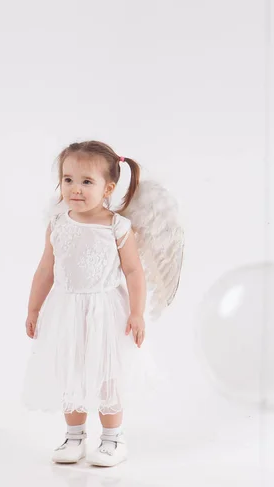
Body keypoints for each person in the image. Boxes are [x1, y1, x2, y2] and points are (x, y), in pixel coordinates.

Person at [22, 140, 184, 468]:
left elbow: (134, 272)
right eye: (68, 179)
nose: (75, 189)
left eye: (86, 181)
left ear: (108, 187)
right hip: (66, 310)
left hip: (106, 310)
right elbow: (45, 269)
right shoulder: (58, 223)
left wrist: (137, 313)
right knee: (73, 371)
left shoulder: (117, 227)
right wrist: (34, 308)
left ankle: (113, 440)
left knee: (108, 375)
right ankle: (74, 437)